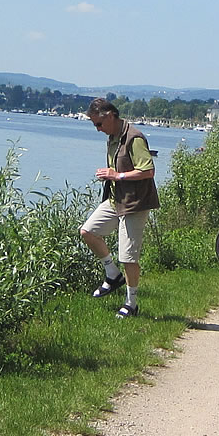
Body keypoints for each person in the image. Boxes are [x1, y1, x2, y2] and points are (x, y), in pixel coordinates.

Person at [79, 98, 160, 318]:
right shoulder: (112, 136)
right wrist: (110, 175)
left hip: (134, 204)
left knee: (129, 257)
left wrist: (117, 175)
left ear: (110, 116)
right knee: (88, 232)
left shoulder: (134, 138)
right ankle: (112, 275)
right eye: (94, 125)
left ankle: (131, 304)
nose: (97, 129)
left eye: (99, 124)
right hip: (115, 200)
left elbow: (148, 171)